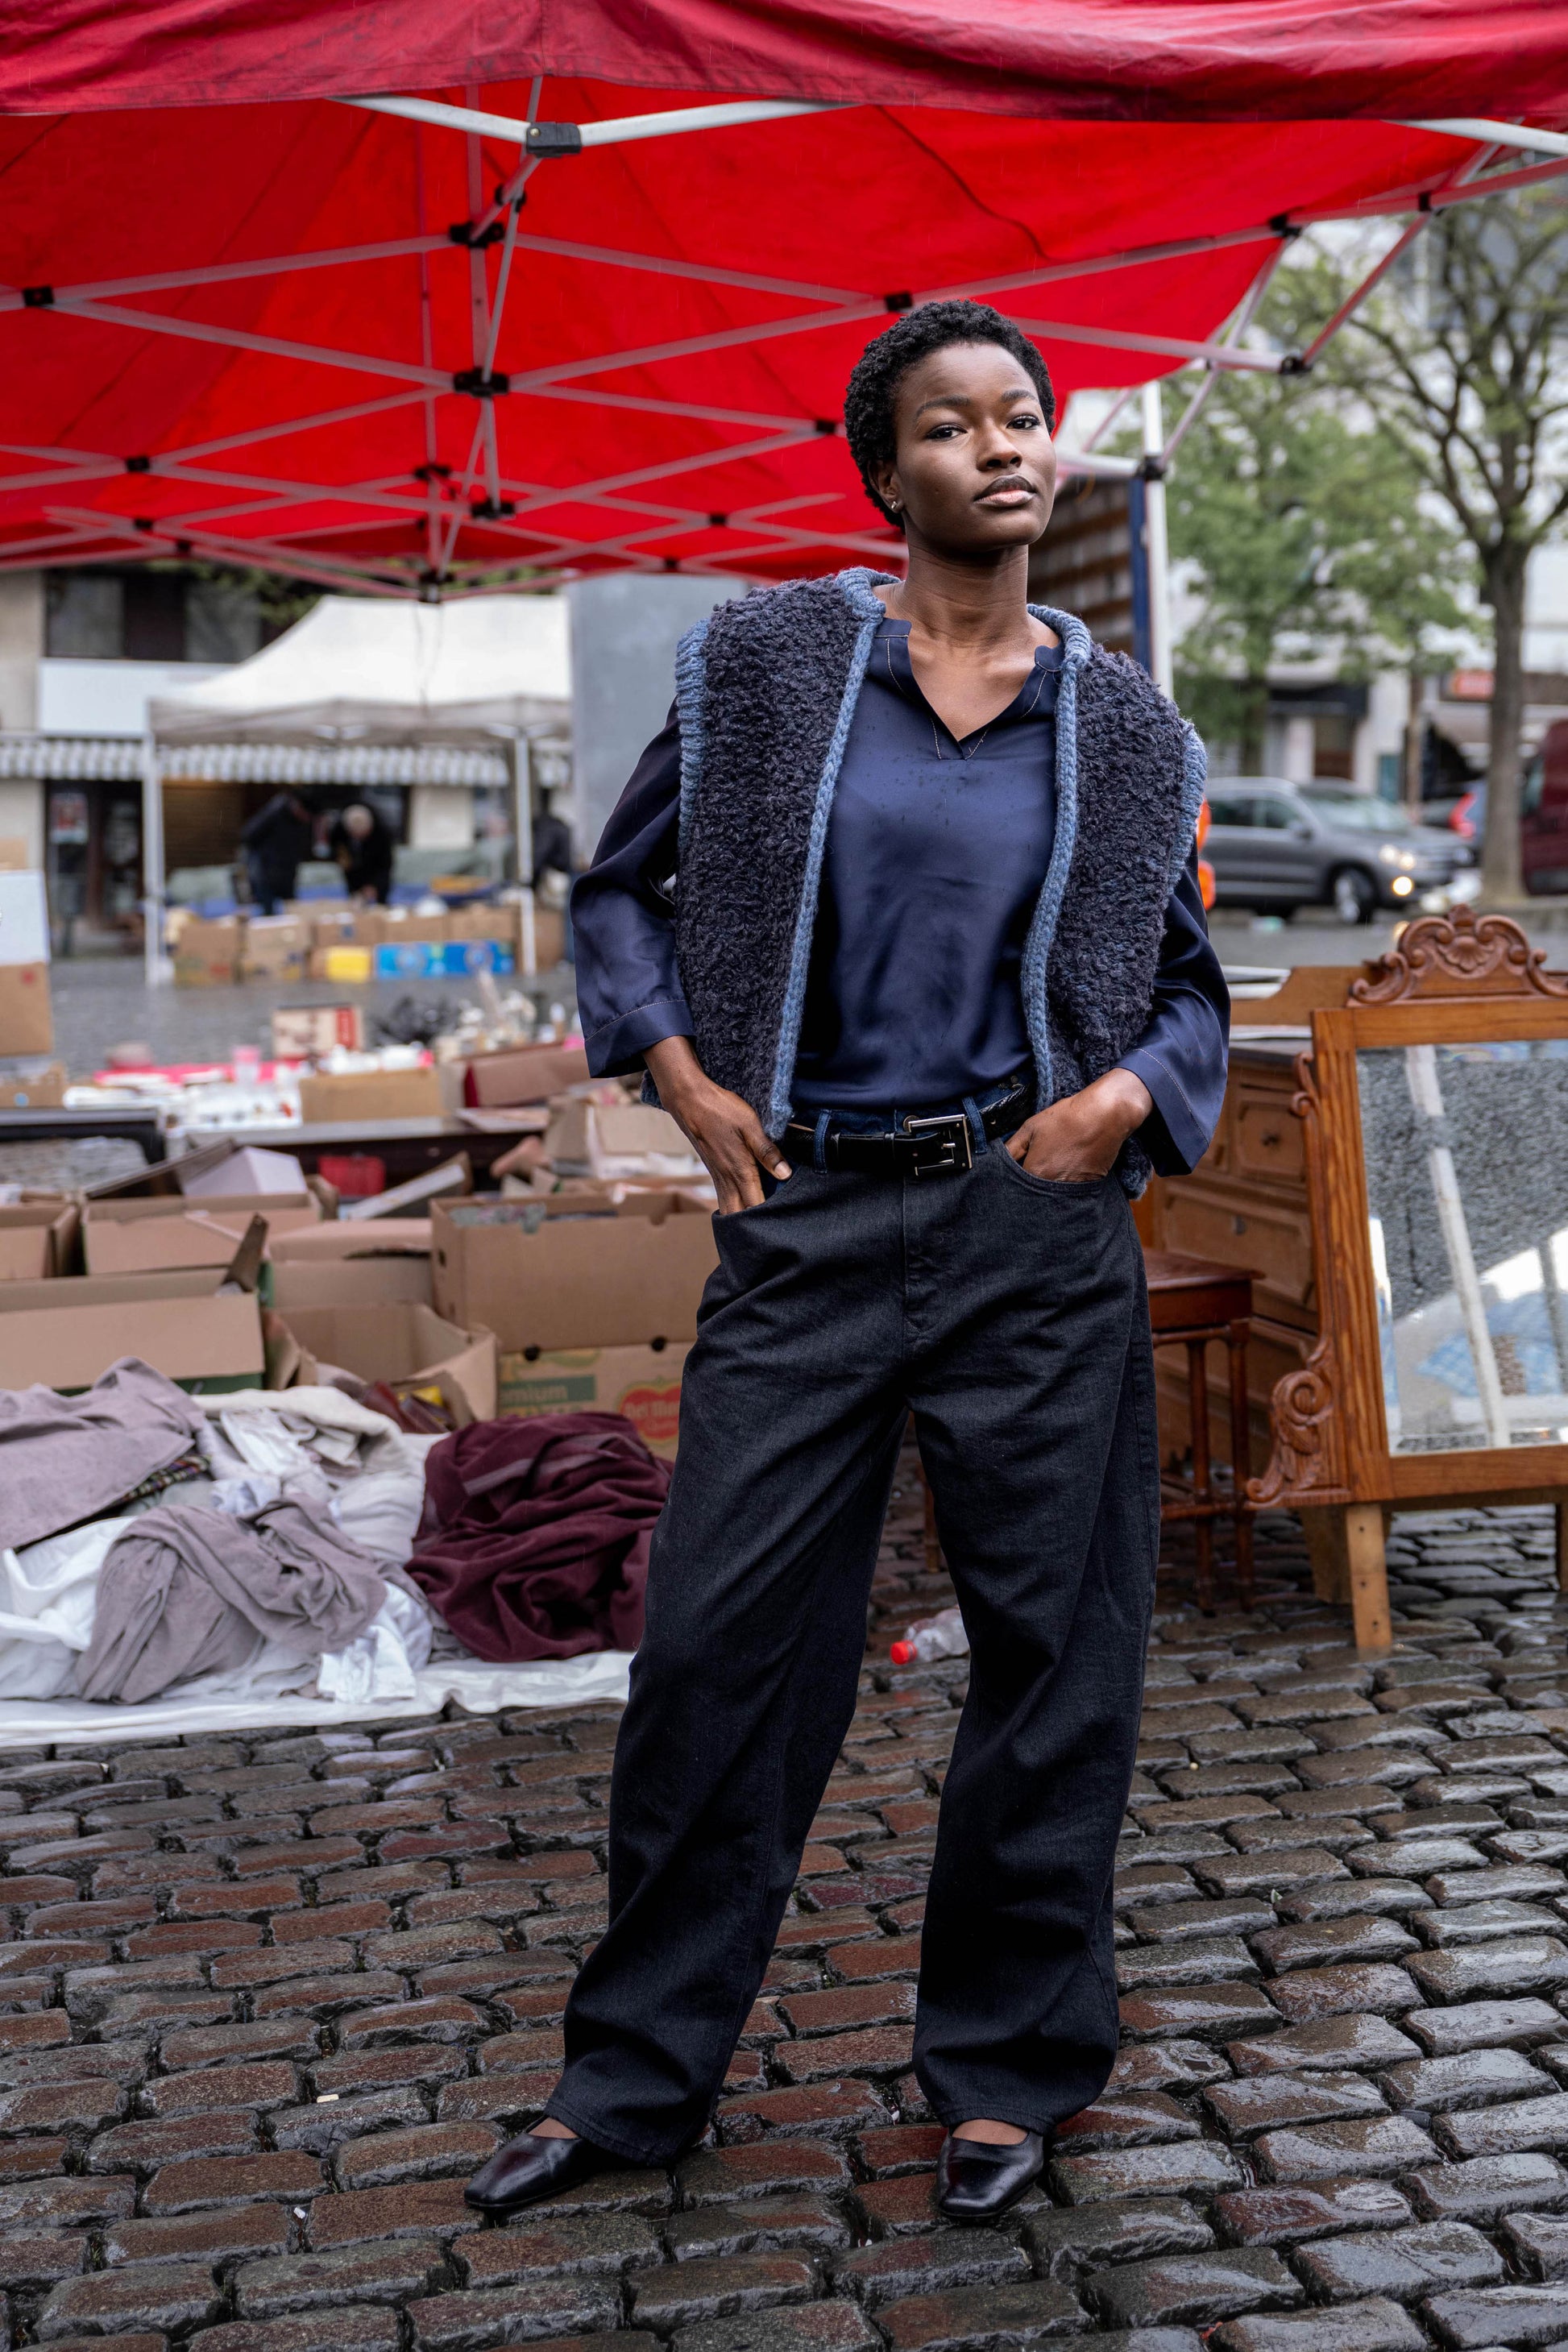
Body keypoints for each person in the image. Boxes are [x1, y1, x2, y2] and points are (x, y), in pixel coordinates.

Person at [465, 300, 1229, 2225]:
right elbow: (620, 887)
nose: (1005, 446)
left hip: (1029, 1228)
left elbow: (1187, 989)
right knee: (718, 1648)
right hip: (803, 1222)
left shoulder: (1124, 725)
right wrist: (673, 1067)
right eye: (957, 424)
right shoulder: (774, 670)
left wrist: (1119, 1106)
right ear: (885, 471)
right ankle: (635, 2078)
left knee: (1060, 1660)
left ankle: (1006, 2075)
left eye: (1028, 417)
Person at [239, 791, 314, 915]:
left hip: (288, 874)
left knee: (292, 913)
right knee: (268, 915)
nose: (306, 819)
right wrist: (267, 856)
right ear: (298, 807)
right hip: (266, 875)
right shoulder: (274, 813)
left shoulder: (300, 822)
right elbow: (248, 835)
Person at [327, 801, 394, 905]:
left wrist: (374, 885)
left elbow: (385, 865)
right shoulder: (339, 831)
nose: (359, 837)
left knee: (379, 902)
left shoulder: (382, 834)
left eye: (362, 835)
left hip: (375, 869)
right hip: (352, 871)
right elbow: (336, 852)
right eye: (355, 835)